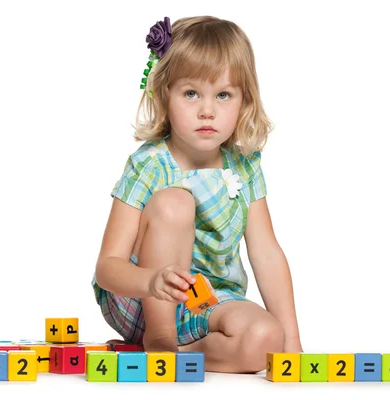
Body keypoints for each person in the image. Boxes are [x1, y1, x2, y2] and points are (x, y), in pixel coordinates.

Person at [91, 15, 303, 374]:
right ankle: (159, 342)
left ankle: (187, 350)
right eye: (191, 93)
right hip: (143, 298)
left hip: (208, 303)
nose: (207, 110)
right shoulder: (150, 165)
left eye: (223, 94)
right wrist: (151, 281)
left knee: (268, 338)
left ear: (244, 100)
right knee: (176, 201)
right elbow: (107, 268)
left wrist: (293, 346)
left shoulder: (245, 166)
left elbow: (266, 253)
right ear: (165, 94)